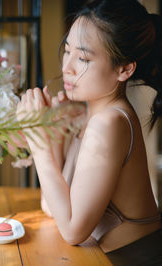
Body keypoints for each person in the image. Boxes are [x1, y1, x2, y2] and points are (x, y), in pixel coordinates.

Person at [16, 0, 162, 265]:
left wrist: (37, 139)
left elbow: (73, 231)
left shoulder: (110, 123)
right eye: (67, 51)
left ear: (125, 69)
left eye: (83, 58)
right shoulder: (88, 115)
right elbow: (52, 208)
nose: (67, 67)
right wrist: (54, 132)